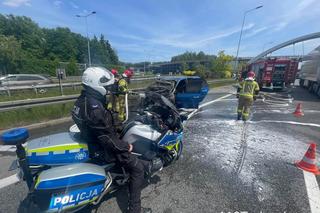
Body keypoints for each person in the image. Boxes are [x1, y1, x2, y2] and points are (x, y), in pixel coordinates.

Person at [72, 67, 152, 213]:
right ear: (95, 83)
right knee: (138, 169)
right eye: (105, 85)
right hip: (103, 149)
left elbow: (101, 128)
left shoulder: (81, 100)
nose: (108, 88)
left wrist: (116, 125)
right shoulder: (95, 108)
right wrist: (126, 146)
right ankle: (135, 210)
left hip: (91, 140)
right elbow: (108, 139)